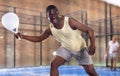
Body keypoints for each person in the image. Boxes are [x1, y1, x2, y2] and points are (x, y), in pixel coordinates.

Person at [15, 5, 98, 76]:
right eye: (49, 15)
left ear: (57, 13)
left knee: (91, 72)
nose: (52, 16)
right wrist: (22, 36)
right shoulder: (50, 29)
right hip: (66, 49)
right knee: (53, 64)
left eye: (54, 13)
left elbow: (90, 30)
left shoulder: (70, 22)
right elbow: (39, 38)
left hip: (80, 49)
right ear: (47, 17)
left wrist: (92, 45)